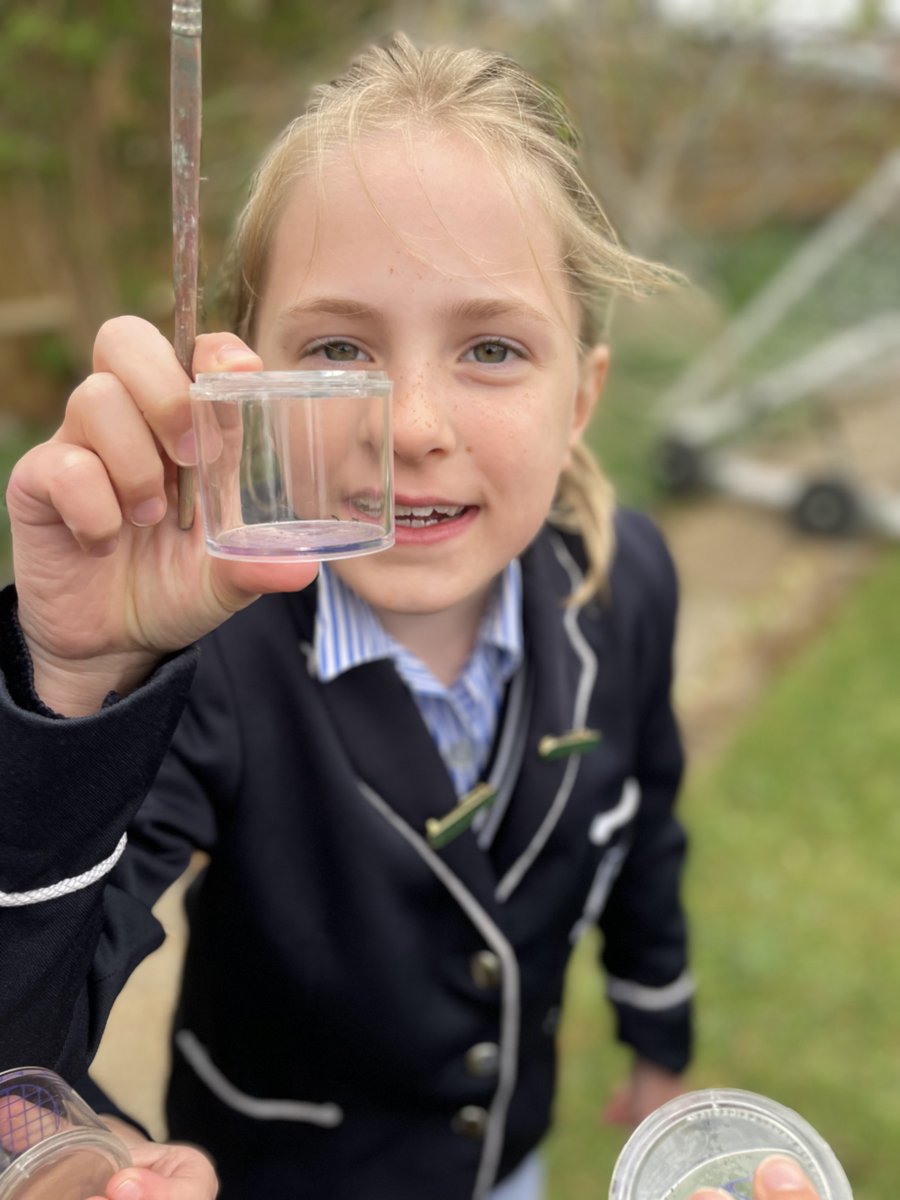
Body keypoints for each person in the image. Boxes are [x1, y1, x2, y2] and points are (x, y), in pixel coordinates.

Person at [1, 33, 693, 1200]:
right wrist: (72, 683)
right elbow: (21, 1036)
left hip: (506, 1163)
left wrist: (657, 1025)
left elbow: (645, 821)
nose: (412, 424)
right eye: (337, 347)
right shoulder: (206, 667)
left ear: (582, 395)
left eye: (490, 347)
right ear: (240, 383)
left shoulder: (624, 579)